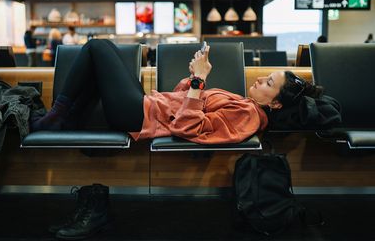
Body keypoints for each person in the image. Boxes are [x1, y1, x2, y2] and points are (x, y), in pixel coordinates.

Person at [30, 39, 334, 240]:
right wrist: (194, 78)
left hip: (142, 114)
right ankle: (61, 117)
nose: (258, 79)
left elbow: (188, 128)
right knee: (98, 64)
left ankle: (57, 116)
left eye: (268, 82)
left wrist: (200, 81)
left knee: (98, 47)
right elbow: (182, 101)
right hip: (148, 106)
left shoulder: (248, 115)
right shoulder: (246, 106)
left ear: (276, 104)